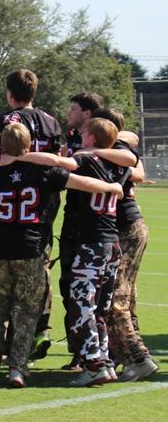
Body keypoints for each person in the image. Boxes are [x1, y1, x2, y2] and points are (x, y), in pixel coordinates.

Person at [0, 122, 124, 388]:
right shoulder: (42, 171)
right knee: (25, 312)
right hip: (30, 249)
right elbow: (82, 182)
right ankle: (17, 368)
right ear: (30, 145)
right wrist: (111, 188)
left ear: (3, 145)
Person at [0, 69, 62, 361]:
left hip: (16, 193)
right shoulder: (51, 121)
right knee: (41, 261)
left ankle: (14, 335)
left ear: (10, 93)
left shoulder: (12, 119)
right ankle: (41, 327)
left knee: (8, 267)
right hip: (47, 194)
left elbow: (3, 157)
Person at [92, 108, 158, 382]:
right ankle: (125, 354)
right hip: (126, 227)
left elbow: (132, 155)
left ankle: (139, 358)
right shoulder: (115, 146)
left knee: (116, 299)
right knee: (125, 298)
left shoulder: (115, 148)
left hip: (126, 227)